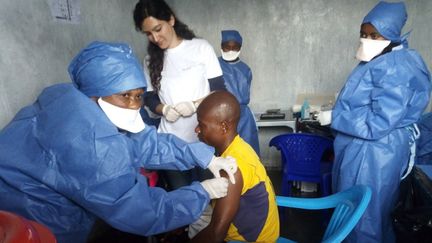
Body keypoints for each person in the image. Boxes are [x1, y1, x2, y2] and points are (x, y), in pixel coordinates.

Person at [0, 41, 239, 243]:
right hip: (27, 213)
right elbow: (139, 210)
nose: (135, 105)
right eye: (125, 96)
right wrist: (201, 192)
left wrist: (203, 156)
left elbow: (145, 142)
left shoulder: (72, 97)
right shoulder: (91, 143)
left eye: (138, 96)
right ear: (96, 92)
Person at [329, 2, 431, 242]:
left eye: (374, 35)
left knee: (363, 216)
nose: (366, 39)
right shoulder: (383, 59)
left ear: (393, 34)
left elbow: (378, 123)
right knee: (373, 213)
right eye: (363, 34)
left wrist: (336, 116)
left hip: (373, 154)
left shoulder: (394, 67)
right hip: (371, 149)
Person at [133, 0, 227, 190]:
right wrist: (164, 109)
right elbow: (150, 98)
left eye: (158, 29)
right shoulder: (151, 60)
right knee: (181, 196)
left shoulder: (201, 48)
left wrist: (195, 105)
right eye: (148, 34)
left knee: (209, 194)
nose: (155, 38)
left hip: (203, 139)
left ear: (171, 20)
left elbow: (219, 92)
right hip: (170, 143)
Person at [189, 91, 279, 243]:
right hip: (262, 232)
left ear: (223, 127)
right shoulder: (240, 146)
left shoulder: (231, 169)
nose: (196, 129)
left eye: (201, 124)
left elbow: (216, 234)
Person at [218, 30, 260, 156]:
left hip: (243, 117)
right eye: (227, 47)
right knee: (223, 154)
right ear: (221, 46)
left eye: (234, 47)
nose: (230, 50)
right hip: (221, 114)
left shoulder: (245, 69)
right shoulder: (214, 65)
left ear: (240, 48)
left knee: (247, 153)